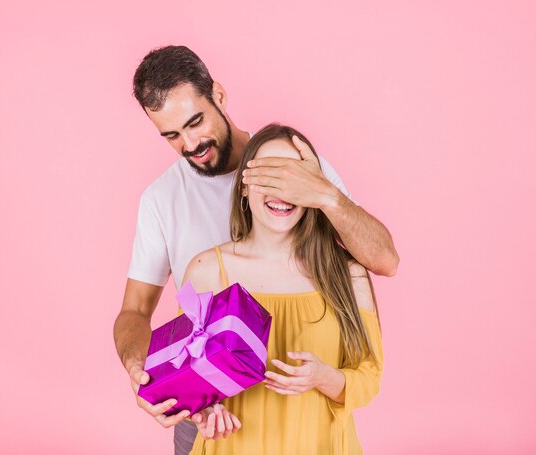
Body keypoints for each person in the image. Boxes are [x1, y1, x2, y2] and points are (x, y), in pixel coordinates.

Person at [113, 45, 398, 455]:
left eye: (195, 122)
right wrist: (143, 373)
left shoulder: (293, 161)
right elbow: (136, 311)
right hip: (212, 418)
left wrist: (326, 194)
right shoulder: (163, 202)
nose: (190, 143)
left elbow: (383, 261)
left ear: (220, 97)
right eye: (172, 135)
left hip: (307, 426)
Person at [183, 123, 383, 454]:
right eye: (267, 176)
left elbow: (369, 377)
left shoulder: (347, 274)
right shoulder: (205, 271)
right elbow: (188, 378)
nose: (281, 191)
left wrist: (323, 377)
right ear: (244, 188)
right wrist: (203, 410)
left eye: (293, 179)